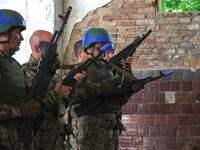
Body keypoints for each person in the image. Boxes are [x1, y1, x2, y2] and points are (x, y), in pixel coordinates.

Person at [68, 27, 142, 150]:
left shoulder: (108, 70)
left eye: (107, 46)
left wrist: (128, 91)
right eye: (101, 46)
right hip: (89, 127)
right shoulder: (81, 68)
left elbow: (116, 100)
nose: (105, 50)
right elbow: (70, 97)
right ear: (89, 48)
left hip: (109, 127)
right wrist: (99, 88)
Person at [0, 9, 44, 150]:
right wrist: (21, 111)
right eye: (18, 33)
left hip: (16, 138)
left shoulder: (13, 63)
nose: (21, 38)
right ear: (3, 33)